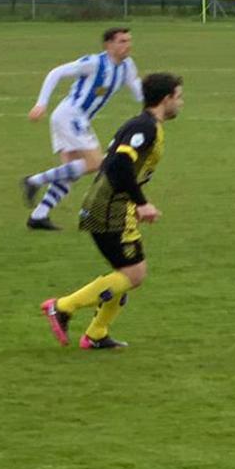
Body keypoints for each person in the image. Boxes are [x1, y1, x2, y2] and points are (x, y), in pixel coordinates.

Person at [40, 73, 184, 350]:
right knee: (134, 274)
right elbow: (119, 165)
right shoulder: (146, 127)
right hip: (110, 208)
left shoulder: (142, 125)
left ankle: (96, 334)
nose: (181, 103)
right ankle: (62, 307)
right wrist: (142, 202)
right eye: (178, 97)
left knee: (124, 274)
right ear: (166, 99)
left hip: (111, 206)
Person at [20, 27, 142, 231]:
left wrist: (155, 101)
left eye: (128, 40)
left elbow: (138, 92)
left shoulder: (127, 66)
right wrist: (41, 103)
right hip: (70, 116)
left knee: (71, 172)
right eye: (122, 41)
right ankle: (33, 181)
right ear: (109, 45)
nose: (127, 45)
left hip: (74, 118)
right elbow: (56, 72)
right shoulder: (95, 63)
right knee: (95, 163)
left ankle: (38, 216)